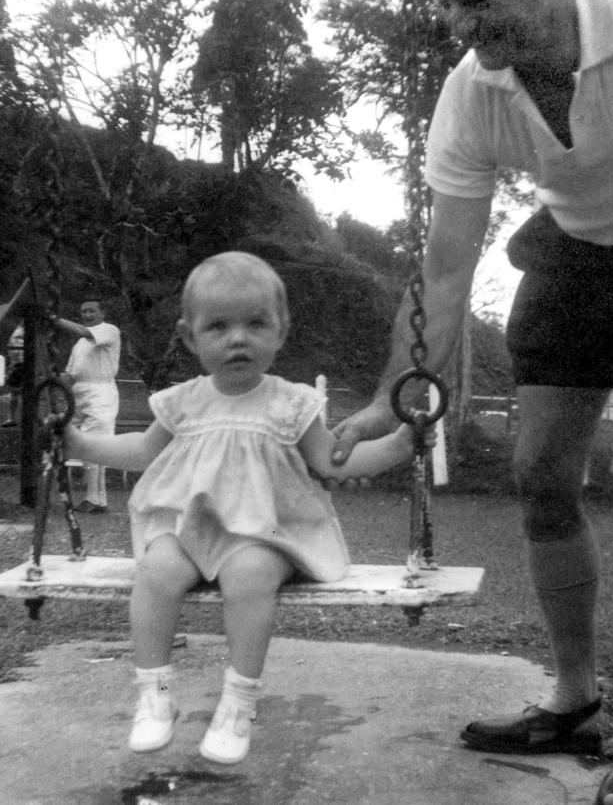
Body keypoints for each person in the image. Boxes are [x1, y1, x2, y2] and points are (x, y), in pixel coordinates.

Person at [330, 0, 613, 803]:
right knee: (541, 475)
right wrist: (391, 399)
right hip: (580, 253)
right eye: (444, 5)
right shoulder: (472, 92)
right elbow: (443, 269)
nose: (457, 24)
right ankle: (575, 700)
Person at [63, 252, 430, 764]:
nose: (238, 338)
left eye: (256, 323)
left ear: (281, 332)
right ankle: (154, 694)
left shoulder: (291, 402)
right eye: (218, 326)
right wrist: (82, 445)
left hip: (268, 530)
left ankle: (238, 704)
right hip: (194, 527)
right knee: (158, 568)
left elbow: (333, 461)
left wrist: (397, 445)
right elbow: (142, 452)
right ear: (191, 338)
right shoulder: (183, 401)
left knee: (250, 574)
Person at [54, 297, 121, 513]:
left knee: (94, 447)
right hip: (79, 395)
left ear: (102, 313)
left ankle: (95, 500)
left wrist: (52, 320)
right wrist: (48, 377)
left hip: (100, 393)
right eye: (83, 311)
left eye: (92, 311)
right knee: (68, 437)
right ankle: (96, 500)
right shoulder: (79, 345)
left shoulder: (109, 330)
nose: (87, 315)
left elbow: (83, 331)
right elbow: (70, 376)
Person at [2, 324, 24, 427]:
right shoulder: (15, 331)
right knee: (14, 394)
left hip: (24, 364)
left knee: (25, 393)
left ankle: (27, 418)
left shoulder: (22, 331)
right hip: (17, 364)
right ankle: (12, 418)